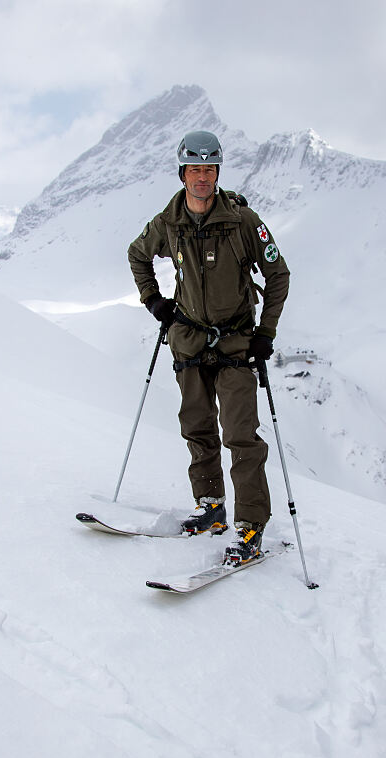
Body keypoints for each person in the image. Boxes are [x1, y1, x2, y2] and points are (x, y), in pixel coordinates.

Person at [127, 130, 291, 565]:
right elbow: (137, 254)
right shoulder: (168, 222)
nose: (202, 177)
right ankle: (211, 507)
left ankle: (251, 526)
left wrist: (266, 334)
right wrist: (154, 301)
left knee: (241, 437)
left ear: (218, 172)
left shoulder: (243, 222)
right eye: (195, 169)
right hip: (189, 341)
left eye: (209, 169)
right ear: (183, 173)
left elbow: (278, 275)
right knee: (197, 428)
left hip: (237, 342)